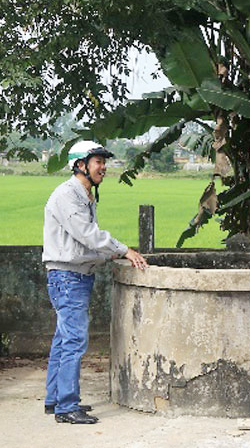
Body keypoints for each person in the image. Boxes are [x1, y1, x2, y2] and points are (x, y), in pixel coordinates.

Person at [42, 140, 148, 425]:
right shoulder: (68, 195)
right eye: (98, 161)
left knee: (64, 340)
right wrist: (124, 249)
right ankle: (66, 406)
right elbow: (87, 234)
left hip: (75, 275)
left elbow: (88, 240)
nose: (104, 167)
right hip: (67, 277)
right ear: (80, 165)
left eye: (104, 161)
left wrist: (111, 253)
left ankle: (55, 400)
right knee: (74, 340)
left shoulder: (84, 194)